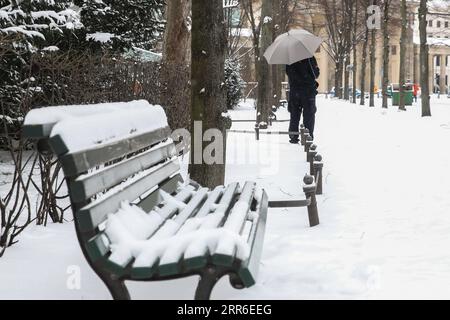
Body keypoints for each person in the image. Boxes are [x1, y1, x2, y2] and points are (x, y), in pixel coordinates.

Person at [286, 56, 320, 143]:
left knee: (294, 115)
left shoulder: (290, 59)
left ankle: (293, 136)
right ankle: (307, 137)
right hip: (308, 92)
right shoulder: (309, 57)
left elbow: (288, 73)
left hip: (295, 92)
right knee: (309, 115)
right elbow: (315, 74)